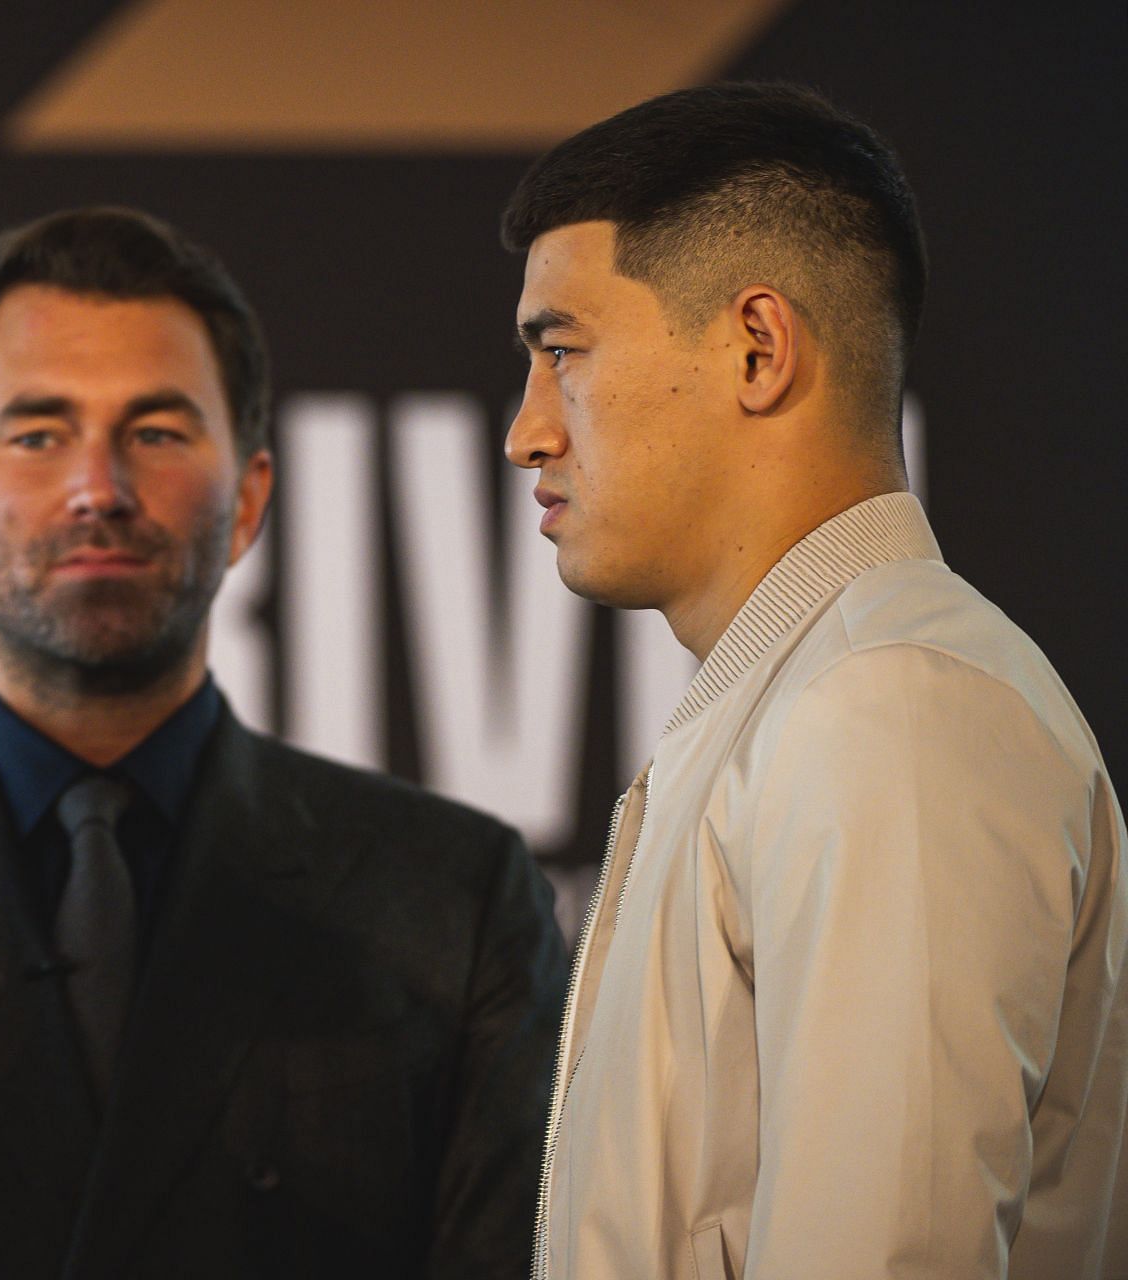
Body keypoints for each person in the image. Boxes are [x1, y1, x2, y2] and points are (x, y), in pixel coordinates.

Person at [0, 206, 568, 1278]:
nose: (100, 486)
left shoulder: (453, 899)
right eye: (39, 433)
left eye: (157, 431)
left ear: (249, 500)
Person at [501, 81, 1127, 1278]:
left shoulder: (893, 707)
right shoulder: (808, 698)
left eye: (561, 351)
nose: (528, 429)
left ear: (756, 347)